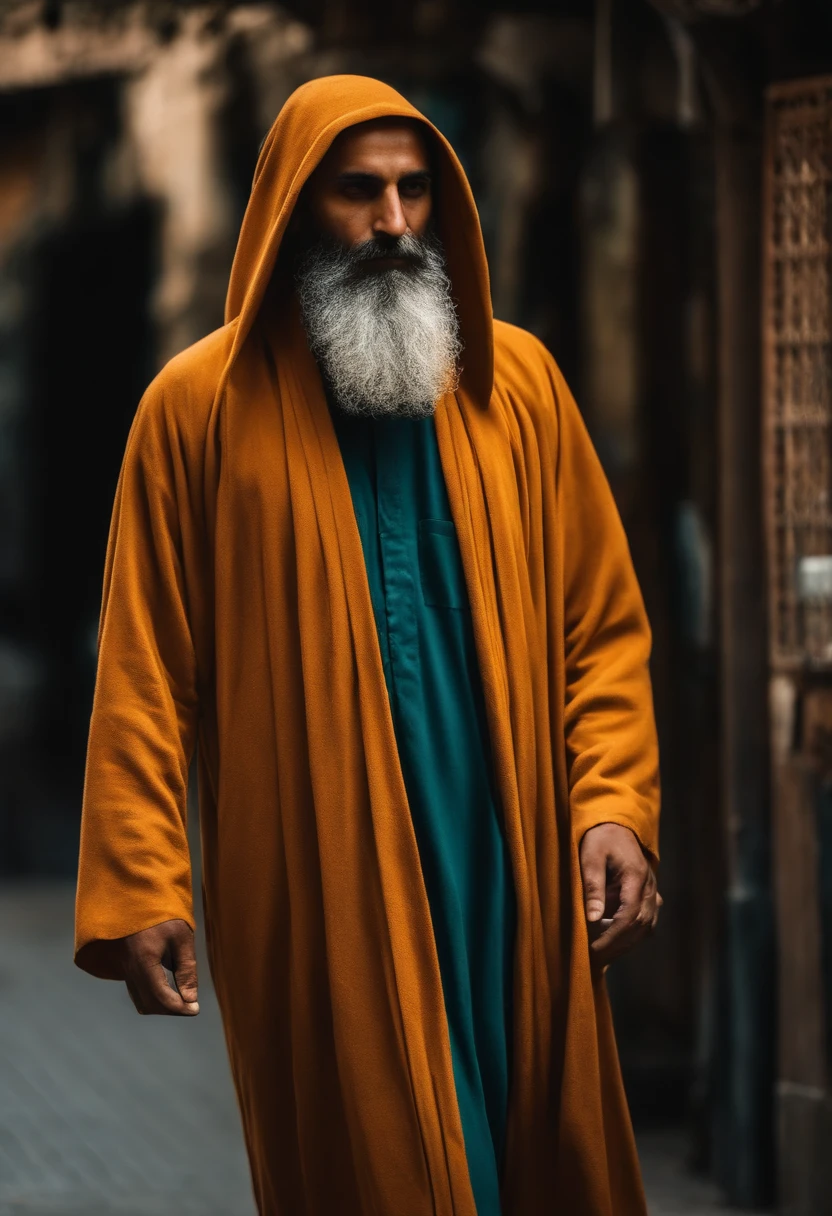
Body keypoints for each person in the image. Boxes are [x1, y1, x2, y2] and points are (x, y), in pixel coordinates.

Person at [74, 75, 661, 1216]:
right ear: (295, 206)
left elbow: (602, 630)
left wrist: (613, 806)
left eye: (412, 191)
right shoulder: (192, 411)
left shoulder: (519, 388)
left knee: (536, 1163)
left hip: (513, 879)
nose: (393, 222)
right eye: (358, 192)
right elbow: (146, 673)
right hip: (318, 892)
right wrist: (146, 880)